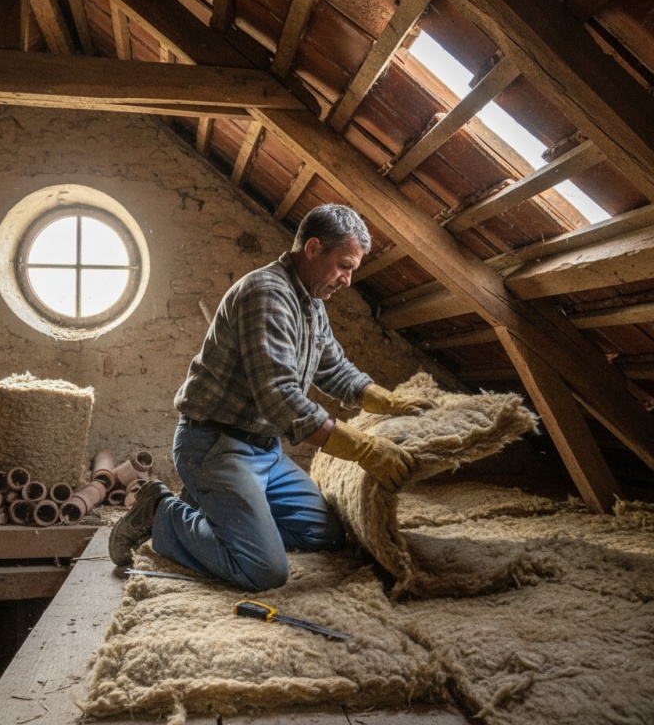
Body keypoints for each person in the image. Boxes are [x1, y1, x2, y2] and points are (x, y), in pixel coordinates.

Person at [109, 204, 432, 590]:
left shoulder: (311, 303)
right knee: (264, 570)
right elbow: (280, 399)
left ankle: (218, 515)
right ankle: (160, 511)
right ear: (313, 248)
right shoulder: (265, 294)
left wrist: (386, 400)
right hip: (215, 447)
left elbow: (333, 367)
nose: (347, 280)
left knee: (324, 536)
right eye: (344, 266)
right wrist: (364, 449)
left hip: (265, 452)